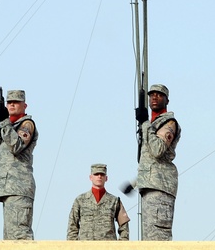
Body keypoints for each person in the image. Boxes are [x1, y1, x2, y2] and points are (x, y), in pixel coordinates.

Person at [0, 89, 37, 240]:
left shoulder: (26, 125)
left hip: (19, 186)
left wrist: (5, 122)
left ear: (24, 105)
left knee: (20, 235)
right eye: (9, 102)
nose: (11, 105)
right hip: (7, 188)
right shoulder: (9, 126)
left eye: (16, 102)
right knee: (9, 238)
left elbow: (16, 146)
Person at [132, 83, 180, 241]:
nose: (154, 97)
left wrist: (145, 124)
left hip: (161, 188)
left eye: (159, 95)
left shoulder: (169, 123)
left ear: (167, 100)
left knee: (159, 240)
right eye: (152, 94)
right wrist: (135, 182)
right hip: (149, 187)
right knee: (149, 241)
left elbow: (158, 150)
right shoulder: (152, 125)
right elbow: (149, 163)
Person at [67, 164, 130, 241]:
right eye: (96, 174)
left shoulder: (115, 201)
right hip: (85, 248)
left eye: (102, 174)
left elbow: (124, 225)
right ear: (90, 177)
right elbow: (72, 226)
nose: (99, 176)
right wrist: (73, 246)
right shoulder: (80, 200)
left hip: (108, 249)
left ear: (106, 178)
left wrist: (121, 245)